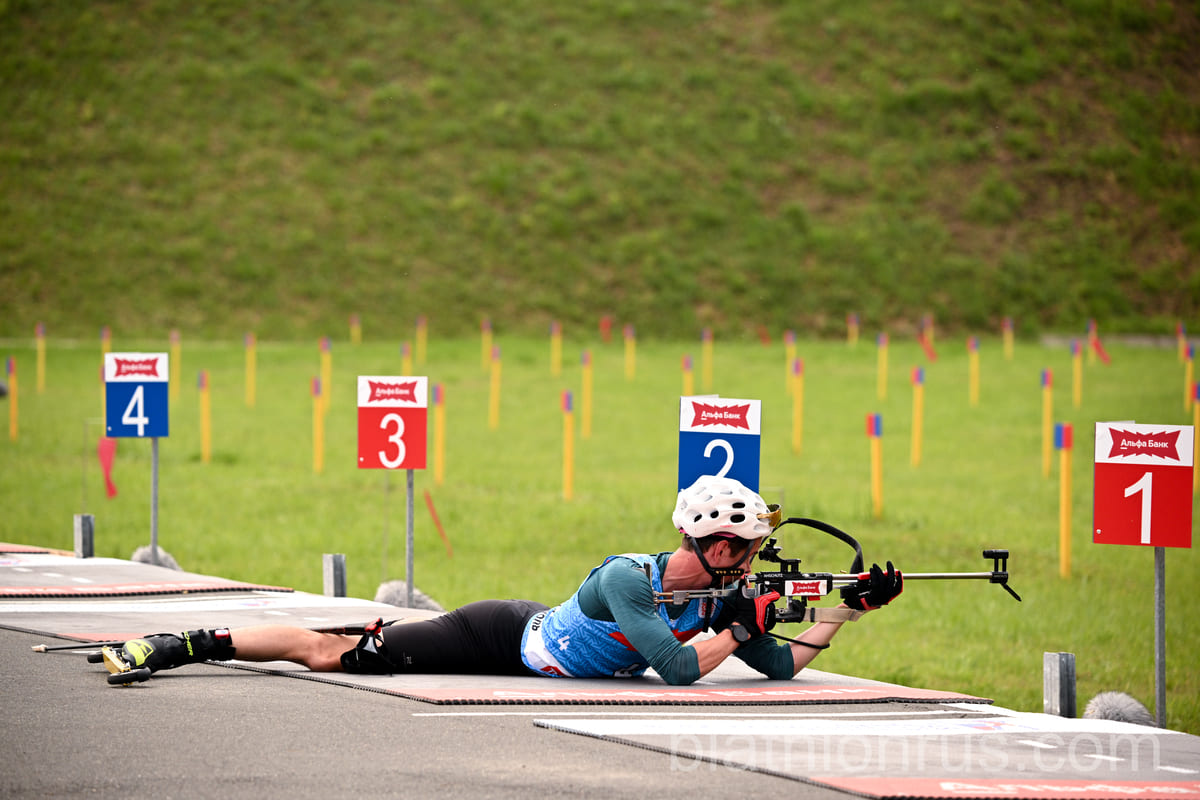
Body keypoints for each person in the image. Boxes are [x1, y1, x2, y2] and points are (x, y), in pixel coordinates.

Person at [107, 475, 902, 686]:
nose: (754, 560)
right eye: (747, 547)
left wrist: (845, 613)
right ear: (713, 541)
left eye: (757, 549)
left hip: (541, 638)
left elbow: (778, 664)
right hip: (499, 637)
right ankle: (182, 644)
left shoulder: (724, 598)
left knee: (349, 642)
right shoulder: (629, 579)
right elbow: (678, 671)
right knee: (333, 652)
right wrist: (736, 624)